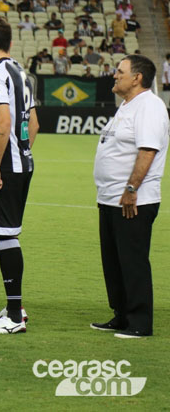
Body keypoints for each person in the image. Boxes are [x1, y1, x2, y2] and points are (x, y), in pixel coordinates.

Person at [91, 55, 169, 338]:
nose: (114, 75)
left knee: (132, 261)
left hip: (134, 200)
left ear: (137, 78)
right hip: (111, 198)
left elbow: (148, 150)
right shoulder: (128, 106)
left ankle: (140, 322)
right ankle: (121, 315)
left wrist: (132, 189)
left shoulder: (149, 106)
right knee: (114, 262)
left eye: (120, 71)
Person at [0, 17, 39, 335]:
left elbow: (2, 123)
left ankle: (14, 315)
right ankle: (16, 307)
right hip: (23, 162)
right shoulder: (21, 73)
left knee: (4, 234)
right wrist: (21, 152)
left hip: (5, 164)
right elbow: (34, 123)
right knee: (6, 233)